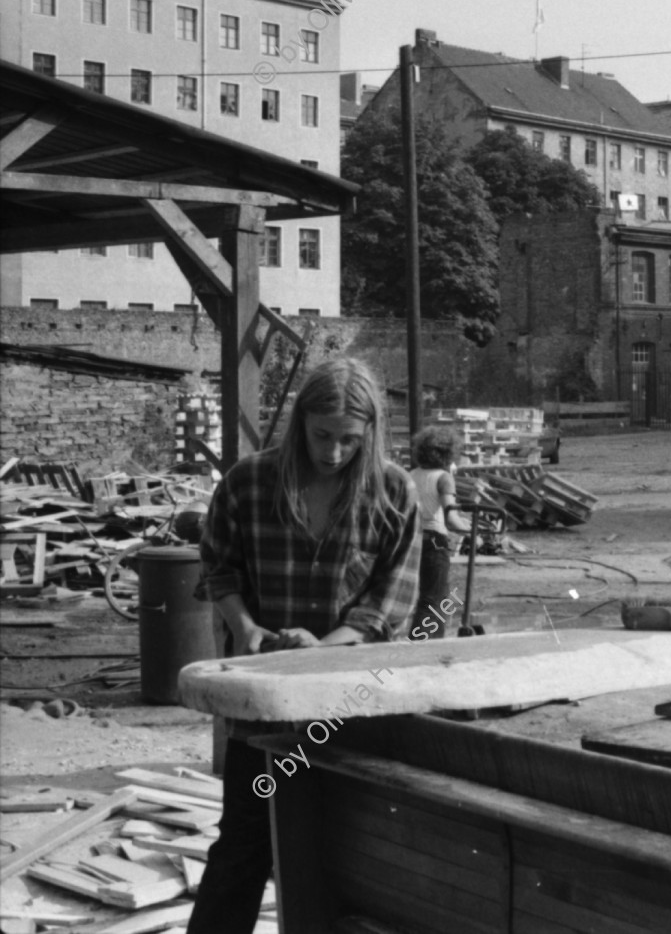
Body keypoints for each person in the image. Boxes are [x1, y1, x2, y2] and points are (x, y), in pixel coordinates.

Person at [189, 357, 421, 933]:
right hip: (263, 707)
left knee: (347, 849)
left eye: (349, 439)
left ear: (370, 434)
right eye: (322, 435)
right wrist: (246, 630)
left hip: (350, 704)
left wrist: (323, 647)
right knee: (245, 841)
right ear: (300, 424)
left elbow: (389, 605)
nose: (334, 451)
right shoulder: (248, 481)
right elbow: (219, 570)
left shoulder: (393, 492)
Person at [409, 425, 471, 640]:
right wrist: (475, 532)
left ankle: (418, 638)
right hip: (435, 539)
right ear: (448, 453)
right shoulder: (443, 477)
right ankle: (426, 644)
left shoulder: (410, 475)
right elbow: (450, 517)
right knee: (435, 597)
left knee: (421, 596)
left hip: (412, 539)